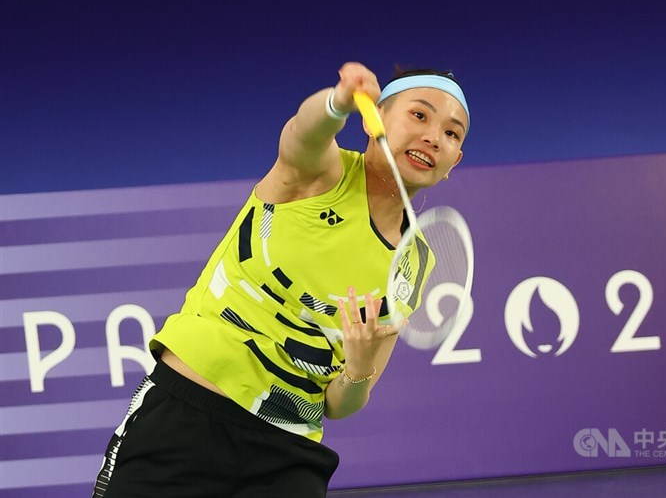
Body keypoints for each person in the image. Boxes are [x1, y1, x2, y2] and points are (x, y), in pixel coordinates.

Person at [92, 61, 470, 497]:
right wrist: (336, 102)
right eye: (419, 115)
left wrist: (360, 368)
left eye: (451, 133)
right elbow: (302, 133)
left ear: (453, 162)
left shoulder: (414, 264)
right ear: (376, 120)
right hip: (188, 416)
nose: (432, 137)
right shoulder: (322, 173)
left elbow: (339, 404)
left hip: (287, 456)